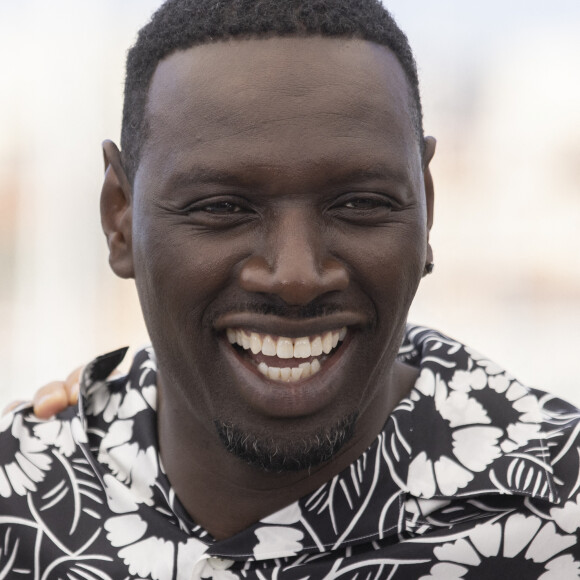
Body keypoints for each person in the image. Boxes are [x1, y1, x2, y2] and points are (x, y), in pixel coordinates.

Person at [2, 0, 580, 577]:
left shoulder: (555, 513)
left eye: (360, 204)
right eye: (223, 207)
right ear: (120, 218)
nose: (297, 277)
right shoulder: (24, 497)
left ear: (427, 208)